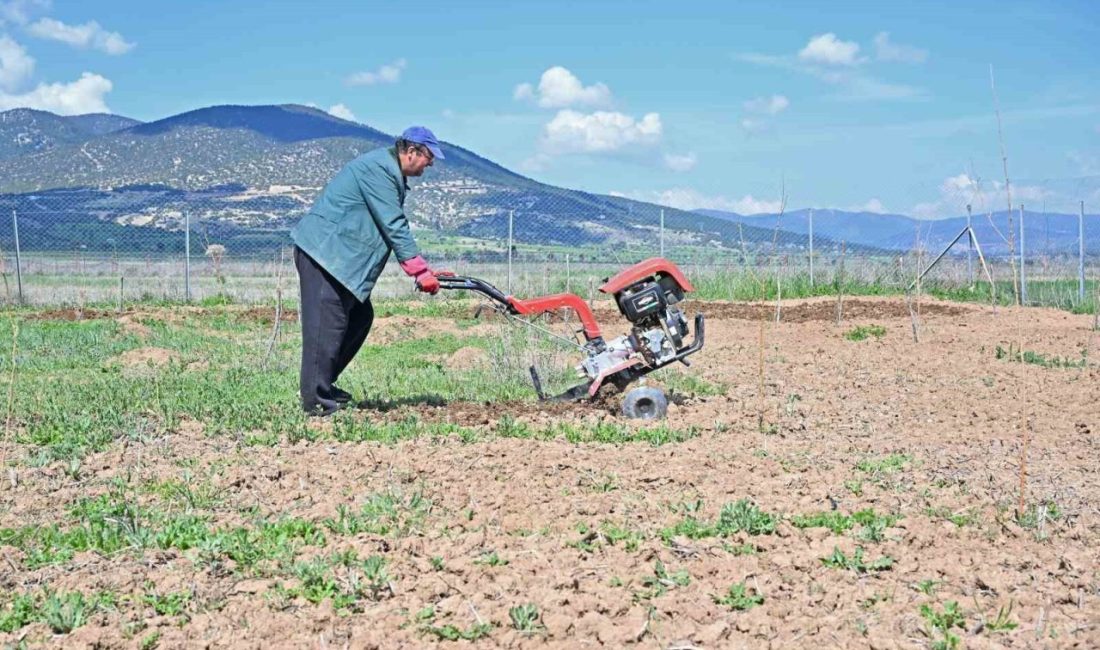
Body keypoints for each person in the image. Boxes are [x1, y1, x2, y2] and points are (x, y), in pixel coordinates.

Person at [290, 126, 449, 416]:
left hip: (337, 259)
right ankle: (315, 401)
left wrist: (425, 269)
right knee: (326, 326)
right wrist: (418, 271)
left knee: (360, 317)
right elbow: (393, 223)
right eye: (429, 156)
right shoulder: (379, 169)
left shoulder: (387, 170)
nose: (431, 163)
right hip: (324, 254)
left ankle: (322, 383)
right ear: (411, 151)